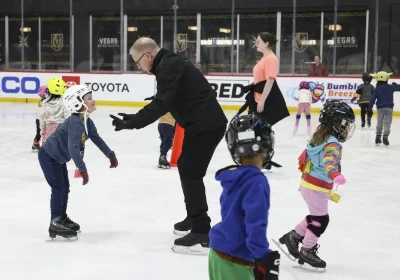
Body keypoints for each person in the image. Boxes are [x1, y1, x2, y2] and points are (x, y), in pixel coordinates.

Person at [109, 37, 228, 254]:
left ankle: (201, 232)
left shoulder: (168, 65)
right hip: (199, 124)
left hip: (206, 125)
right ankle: (194, 218)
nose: (138, 67)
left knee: (191, 173)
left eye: (137, 62)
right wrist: (134, 117)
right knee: (186, 167)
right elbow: (165, 99)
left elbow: (162, 103)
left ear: (147, 56)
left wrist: (133, 122)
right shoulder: (168, 64)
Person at [276, 100, 355, 272]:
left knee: (315, 216)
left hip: (308, 184)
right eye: (345, 124)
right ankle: (307, 250)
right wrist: (336, 175)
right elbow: (328, 162)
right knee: (321, 219)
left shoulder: (319, 138)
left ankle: (293, 237)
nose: (347, 128)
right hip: (317, 187)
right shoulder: (333, 143)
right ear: (334, 123)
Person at [38, 85, 118, 239]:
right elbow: (73, 148)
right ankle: (55, 222)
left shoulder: (86, 121)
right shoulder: (75, 122)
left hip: (58, 158)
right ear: (77, 103)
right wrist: (83, 169)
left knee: (65, 188)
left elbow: (97, 139)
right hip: (48, 157)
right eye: (88, 98)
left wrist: (110, 155)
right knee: (58, 189)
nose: (93, 100)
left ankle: (61, 217)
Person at [208, 114, 280, 280]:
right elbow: (255, 222)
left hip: (218, 251)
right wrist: (262, 256)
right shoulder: (256, 182)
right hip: (235, 258)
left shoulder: (233, 177)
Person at [236, 32, 290, 169]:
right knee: (255, 130)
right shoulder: (264, 58)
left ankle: (262, 159)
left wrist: (262, 101)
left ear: (266, 44)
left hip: (265, 99)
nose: (256, 44)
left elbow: (270, 81)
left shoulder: (271, 59)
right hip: (258, 97)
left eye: (259, 41)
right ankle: (257, 158)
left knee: (259, 130)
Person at [144, 94, 176, 169]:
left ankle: (162, 157)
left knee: (164, 142)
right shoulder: (172, 101)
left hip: (160, 124)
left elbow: (161, 94)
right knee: (168, 142)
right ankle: (162, 157)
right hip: (168, 124)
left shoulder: (163, 102)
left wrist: (154, 97)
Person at [368, 71, 400, 146]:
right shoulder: (390, 87)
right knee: (387, 123)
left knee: (379, 122)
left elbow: (372, 99)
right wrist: (396, 85)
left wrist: (370, 108)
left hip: (380, 108)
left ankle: (377, 138)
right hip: (389, 108)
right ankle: (385, 137)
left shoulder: (376, 89)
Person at [39, 77, 70, 144]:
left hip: (48, 128)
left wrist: (42, 129)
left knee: (48, 148)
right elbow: (67, 116)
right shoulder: (64, 102)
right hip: (61, 129)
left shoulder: (45, 102)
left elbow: (42, 116)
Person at [32, 85, 48, 152]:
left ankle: (35, 143)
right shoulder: (46, 101)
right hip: (42, 119)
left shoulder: (42, 101)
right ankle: (43, 145)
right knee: (44, 132)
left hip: (38, 119)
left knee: (39, 132)